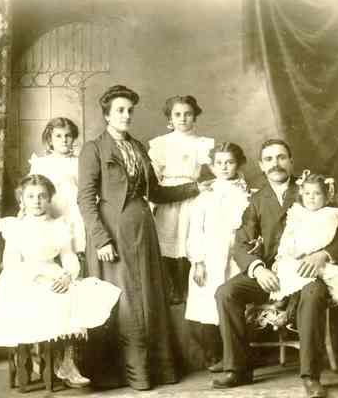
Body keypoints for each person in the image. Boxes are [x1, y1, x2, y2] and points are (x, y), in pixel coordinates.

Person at [77, 85, 211, 391]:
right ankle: (125, 374)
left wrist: (195, 188)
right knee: (124, 303)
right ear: (107, 114)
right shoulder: (93, 149)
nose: (126, 115)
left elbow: (156, 192)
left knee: (149, 299)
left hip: (144, 230)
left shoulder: (137, 147)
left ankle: (155, 371)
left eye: (129, 110)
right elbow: (85, 199)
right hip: (113, 232)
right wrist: (101, 239)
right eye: (120, 110)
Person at [212, 139, 338, 398]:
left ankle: (311, 376)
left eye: (281, 157)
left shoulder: (311, 189)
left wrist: (322, 254)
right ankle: (238, 368)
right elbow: (241, 242)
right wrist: (257, 269)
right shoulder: (257, 199)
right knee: (226, 292)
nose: (275, 164)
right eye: (269, 159)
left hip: (306, 271)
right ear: (261, 166)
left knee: (313, 293)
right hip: (271, 273)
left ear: (291, 161)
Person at [0, 174, 121, 388]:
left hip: (54, 274)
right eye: (31, 196)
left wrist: (67, 276)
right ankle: (41, 357)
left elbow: (68, 257)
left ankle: (66, 362)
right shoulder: (16, 227)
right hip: (22, 278)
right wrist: (35, 277)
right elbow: (11, 262)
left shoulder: (59, 225)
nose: (36, 201)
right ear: (22, 200)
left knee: (75, 297)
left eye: (42, 196)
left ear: (49, 199)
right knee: (47, 301)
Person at [185, 142, 250, 367]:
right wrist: (198, 262)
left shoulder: (245, 194)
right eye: (219, 163)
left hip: (236, 253)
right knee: (208, 305)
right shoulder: (205, 197)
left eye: (229, 162)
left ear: (238, 164)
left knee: (232, 302)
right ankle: (216, 354)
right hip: (210, 254)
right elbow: (195, 231)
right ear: (212, 167)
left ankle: (237, 353)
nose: (224, 167)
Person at [148, 95, 214, 304]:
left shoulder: (202, 143)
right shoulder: (161, 143)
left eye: (188, 114)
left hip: (193, 196)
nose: (183, 118)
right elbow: (152, 175)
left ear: (195, 117)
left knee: (188, 240)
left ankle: (187, 289)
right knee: (167, 240)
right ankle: (172, 290)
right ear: (170, 119)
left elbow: (215, 169)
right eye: (177, 114)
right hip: (167, 195)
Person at [270, 170, 338, 307]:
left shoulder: (328, 215)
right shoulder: (298, 212)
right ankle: (283, 302)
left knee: (332, 275)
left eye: (317, 193)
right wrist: (281, 256)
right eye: (307, 193)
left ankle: (329, 298)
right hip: (295, 254)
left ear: (326, 197)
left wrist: (305, 251)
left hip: (314, 257)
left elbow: (324, 238)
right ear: (301, 194)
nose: (311, 197)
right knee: (285, 268)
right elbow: (287, 235)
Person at [29, 117, 85, 256]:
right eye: (58, 136)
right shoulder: (41, 164)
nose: (64, 140)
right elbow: (31, 190)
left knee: (74, 253)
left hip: (74, 213)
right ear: (50, 140)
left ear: (73, 138)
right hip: (50, 213)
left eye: (68, 135)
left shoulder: (80, 163)